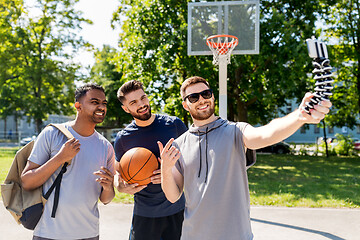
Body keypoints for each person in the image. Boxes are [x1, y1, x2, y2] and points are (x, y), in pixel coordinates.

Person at [160, 76, 332, 240]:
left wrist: (299, 116)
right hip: (193, 236)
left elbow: (266, 134)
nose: (202, 100)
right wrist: (166, 170)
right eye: (193, 97)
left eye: (206, 94)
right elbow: (173, 196)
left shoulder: (236, 131)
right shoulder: (178, 145)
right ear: (185, 104)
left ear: (212, 96)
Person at [21, 83, 115, 240]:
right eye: (94, 102)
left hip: (89, 234)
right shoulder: (52, 133)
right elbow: (27, 181)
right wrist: (60, 158)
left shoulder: (105, 146)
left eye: (104, 103)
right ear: (78, 106)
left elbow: (106, 199)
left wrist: (107, 187)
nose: (101, 107)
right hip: (49, 234)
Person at [114, 80, 187, 240]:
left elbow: (193, 162)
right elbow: (118, 172)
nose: (142, 104)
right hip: (144, 213)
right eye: (133, 102)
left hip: (177, 209)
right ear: (126, 108)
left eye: (143, 97)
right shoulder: (123, 139)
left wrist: (169, 172)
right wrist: (119, 186)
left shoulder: (174, 125)